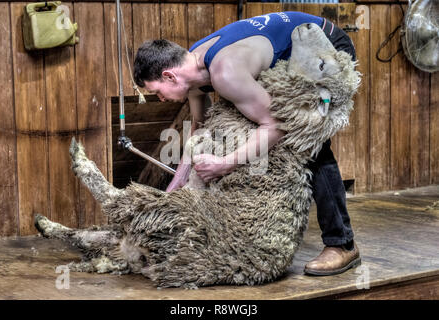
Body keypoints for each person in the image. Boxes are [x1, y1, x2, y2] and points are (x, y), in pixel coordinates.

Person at [133, 11, 360, 276]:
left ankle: (342, 244)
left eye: (157, 91)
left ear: (170, 75)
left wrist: (224, 165)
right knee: (245, 123)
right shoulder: (192, 66)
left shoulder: (224, 72)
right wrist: (177, 184)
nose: (160, 98)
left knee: (309, 142)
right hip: (287, 50)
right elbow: (200, 127)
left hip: (323, 43)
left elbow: (278, 125)